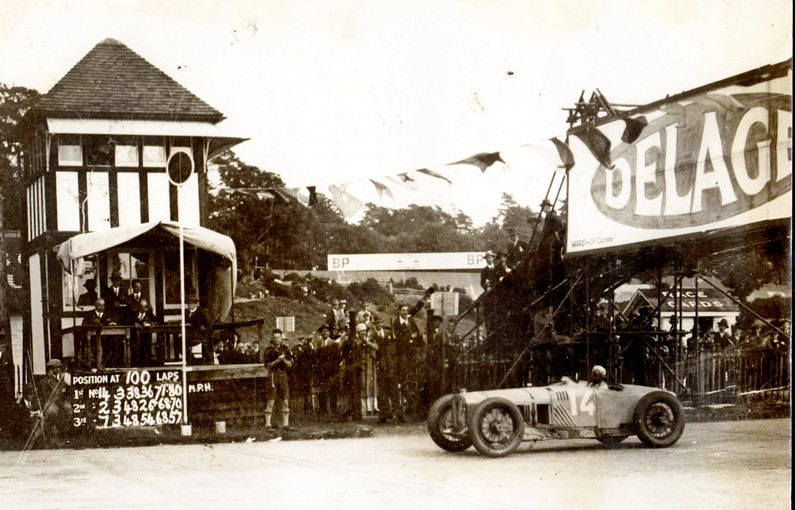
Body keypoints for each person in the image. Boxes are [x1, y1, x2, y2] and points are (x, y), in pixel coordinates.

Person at [378, 292, 430, 423]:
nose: (406, 312)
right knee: (403, 382)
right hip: (401, 356)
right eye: (403, 310)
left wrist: (425, 297)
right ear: (399, 311)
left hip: (413, 355)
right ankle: (404, 410)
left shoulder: (410, 319)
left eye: (407, 310)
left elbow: (417, 309)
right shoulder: (396, 324)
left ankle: (414, 409)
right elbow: (399, 342)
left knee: (413, 382)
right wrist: (410, 340)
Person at [33, 359, 72, 444]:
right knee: (52, 411)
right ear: (50, 370)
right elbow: (41, 395)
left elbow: (70, 388)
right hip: (51, 402)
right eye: (54, 368)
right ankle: (53, 435)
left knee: (68, 409)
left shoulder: (64, 377)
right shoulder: (45, 381)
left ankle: (65, 433)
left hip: (63, 401)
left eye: (58, 368)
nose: (57, 370)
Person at [262, 329, 294, 432]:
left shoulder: (286, 349)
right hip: (273, 375)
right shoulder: (268, 350)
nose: (276, 340)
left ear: (281, 338)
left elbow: (290, 364)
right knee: (271, 400)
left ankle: (286, 424)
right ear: (272, 338)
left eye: (278, 337)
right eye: (274, 337)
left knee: (285, 400)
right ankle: (268, 424)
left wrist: (283, 360)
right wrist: (277, 360)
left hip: (283, 375)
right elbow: (267, 365)